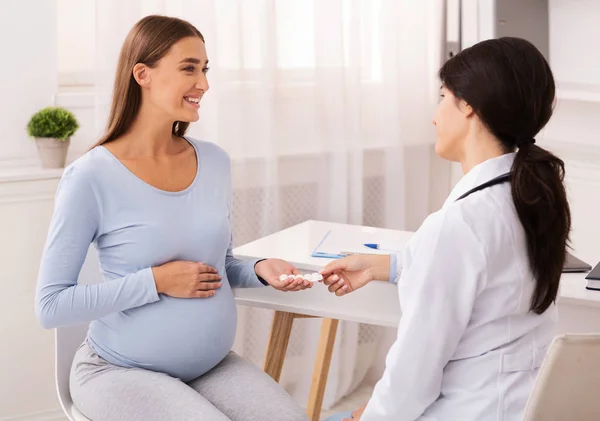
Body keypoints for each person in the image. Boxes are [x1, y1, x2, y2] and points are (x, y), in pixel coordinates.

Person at [35, 15, 311, 421]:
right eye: (189, 68)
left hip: (211, 367)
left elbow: (219, 265)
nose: (204, 83)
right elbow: (51, 305)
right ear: (142, 74)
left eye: (204, 69)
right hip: (118, 371)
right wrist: (156, 282)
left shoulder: (214, 162)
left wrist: (260, 269)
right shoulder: (90, 177)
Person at [322, 37, 571, 421]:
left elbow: (414, 371)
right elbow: (484, 276)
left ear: (468, 105)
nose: (435, 115)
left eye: (442, 96)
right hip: (519, 405)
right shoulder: (529, 198)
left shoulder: (459, 224)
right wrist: (380, 266)